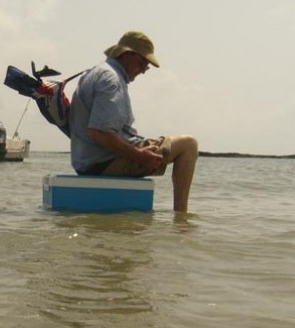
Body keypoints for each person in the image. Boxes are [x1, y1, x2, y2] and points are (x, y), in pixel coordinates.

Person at [69, 31, 199, 212]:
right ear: (127, 54)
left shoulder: (93, 73)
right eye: (142, 64)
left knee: (180, 143)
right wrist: (139, 156)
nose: (143, 71)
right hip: (105, 162)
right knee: (188, 144)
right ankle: (181, 218)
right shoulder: (111, 80)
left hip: (87, 162)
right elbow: (99, 132)